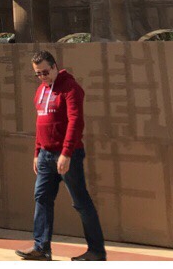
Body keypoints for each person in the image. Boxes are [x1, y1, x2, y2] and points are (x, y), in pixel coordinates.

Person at [15, 50, 107, 261]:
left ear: (55, 67)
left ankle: (96, 252)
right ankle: (41, 248)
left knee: (80, 201)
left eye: (45, 72)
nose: (42, 77)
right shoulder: (40, 91)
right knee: (41, 197)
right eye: (38, 74)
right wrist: (37, 152)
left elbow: (76, 122)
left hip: (68, 154)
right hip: (46, 155)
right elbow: (41, 124)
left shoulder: (71, 88)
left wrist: (66, 153)